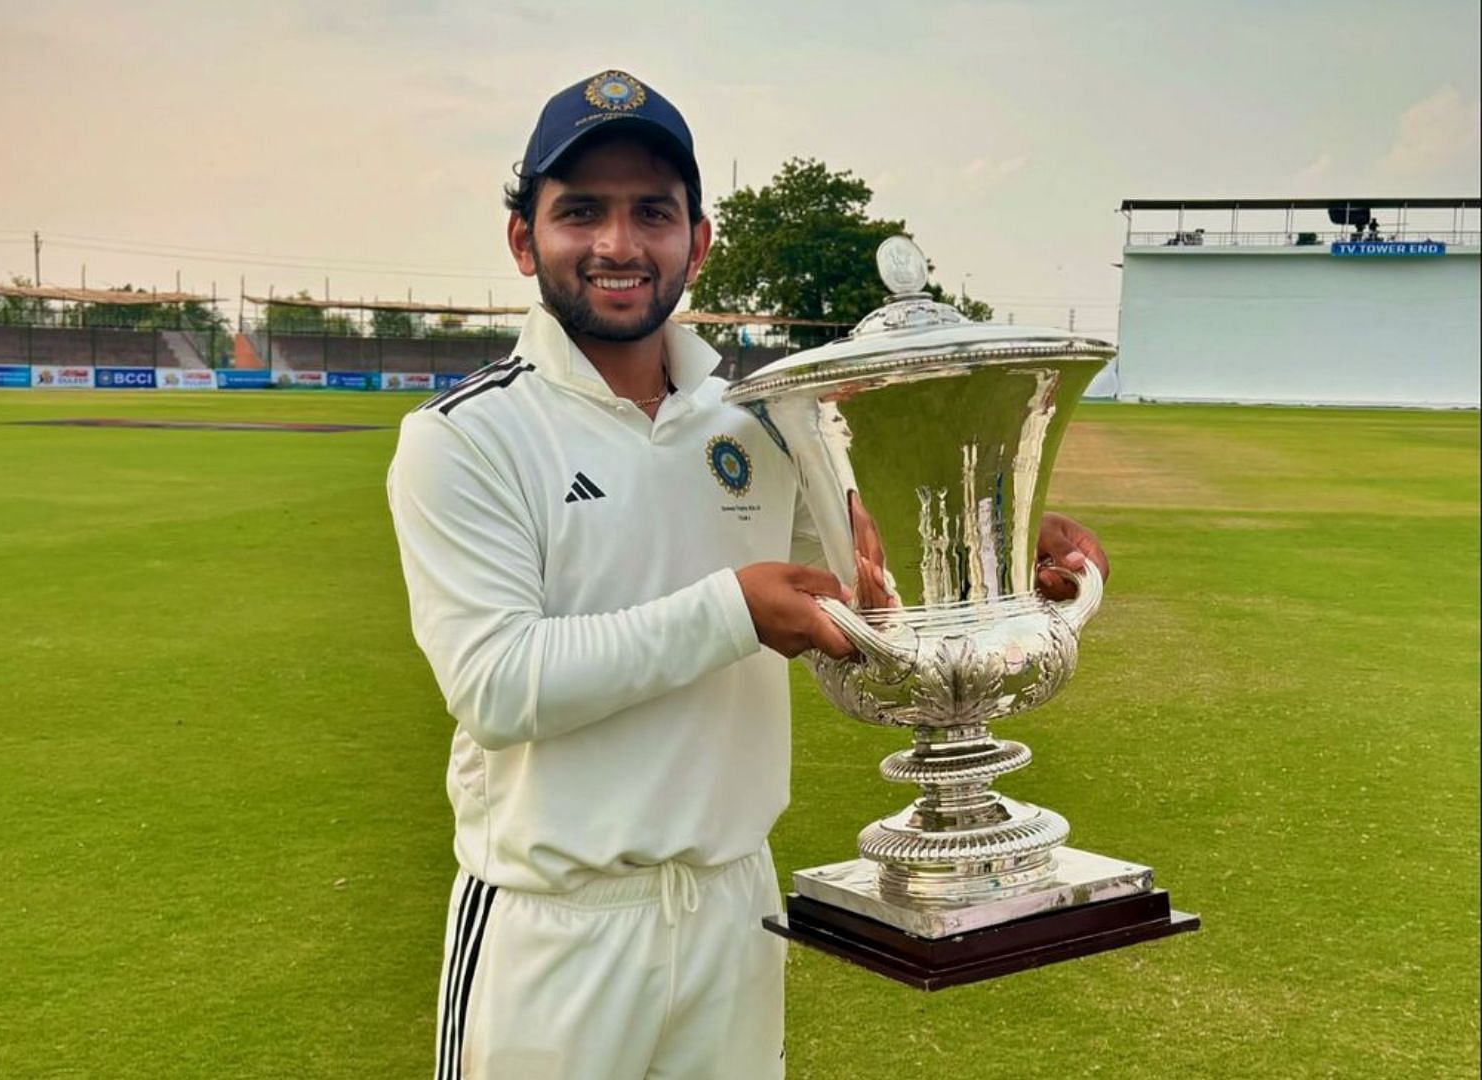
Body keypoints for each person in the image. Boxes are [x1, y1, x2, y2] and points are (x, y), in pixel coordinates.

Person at [386, 69, 1109, 1080]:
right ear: (522, 240)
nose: (619, 245)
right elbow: (497, 685)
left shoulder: (761, 422)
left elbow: (878, 603)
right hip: (557, 928)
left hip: (735, 908)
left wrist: (1001, 576)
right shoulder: (465, 439)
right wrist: (732, 610)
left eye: (653, 212)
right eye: (579, 212)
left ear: (698, 239)